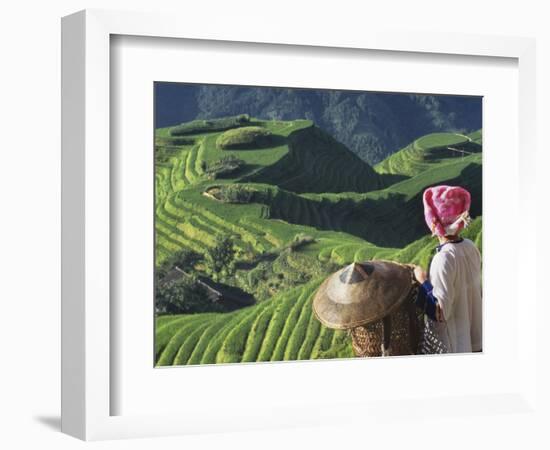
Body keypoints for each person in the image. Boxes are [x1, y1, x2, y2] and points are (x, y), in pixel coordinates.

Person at [412, 185, 482, 353]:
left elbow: (440, 313)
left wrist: (422, 281)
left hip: (456, 345)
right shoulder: (470, 247)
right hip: (476, 338)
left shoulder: (443, 258)